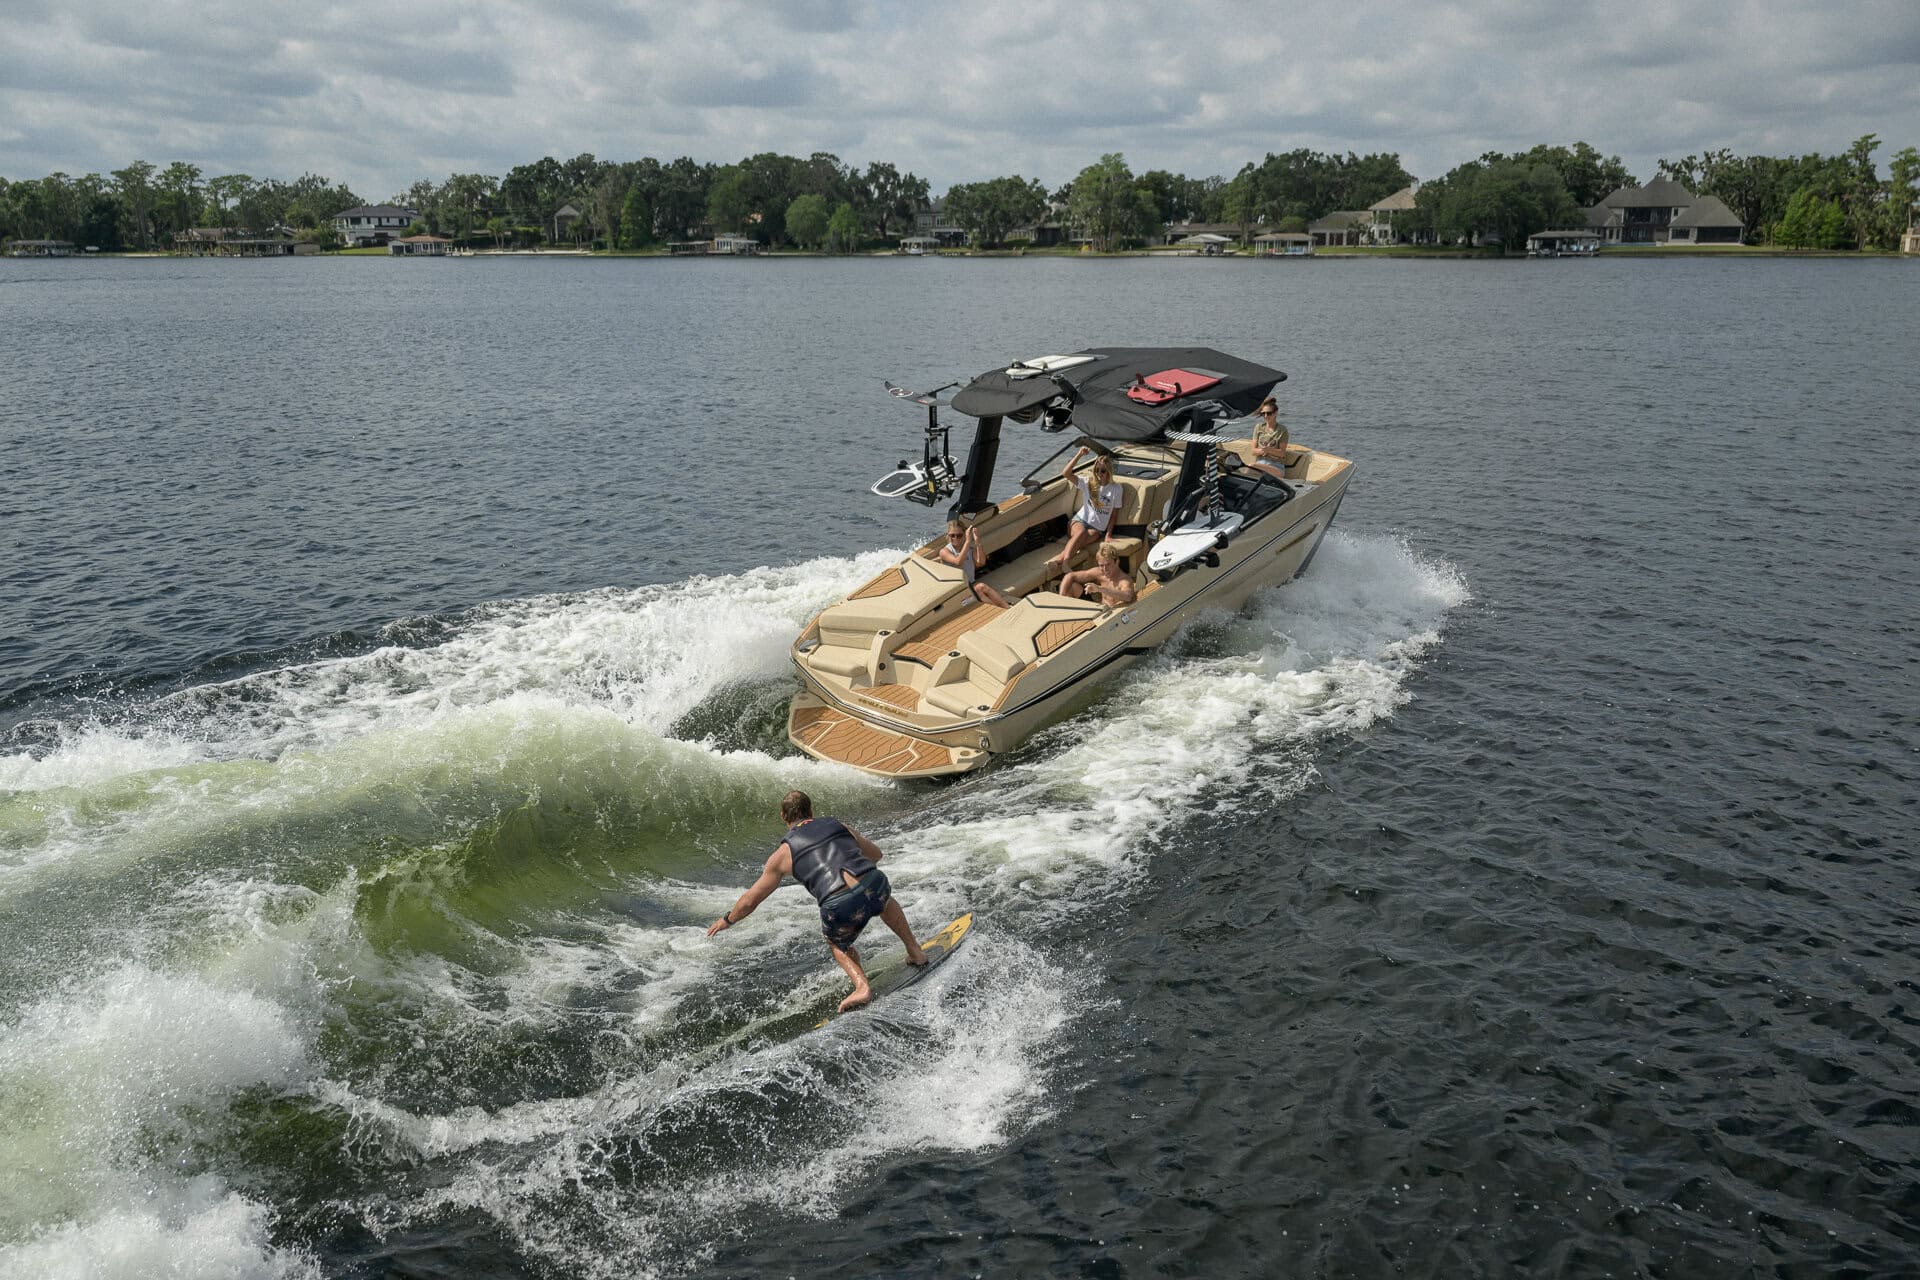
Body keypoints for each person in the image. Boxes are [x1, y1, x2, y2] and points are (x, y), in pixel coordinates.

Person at [706, 790, 928, 1012]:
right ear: (811, 811)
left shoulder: (782, 854)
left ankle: (861, 987)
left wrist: (728, 919)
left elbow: (750, 900)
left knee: (836, 942)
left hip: (839, 904)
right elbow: (876, 854)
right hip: (874, 883)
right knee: (885, 901)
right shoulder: (838, 825)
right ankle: (915, 951)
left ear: (783, 816)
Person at [1044, 447, 1124, 570]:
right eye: (1097, 470)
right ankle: (1066, 563)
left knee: (1080, 541)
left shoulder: (1116, 489)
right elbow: (1066, 473)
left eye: (1103, 471)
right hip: (1079, 521)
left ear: (1109, 471)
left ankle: (1057, 562)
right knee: (1080, 533)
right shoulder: (1088, 483)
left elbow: (1114, 515)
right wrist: (1079, 455)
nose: (1099, 474)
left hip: (1097, 529)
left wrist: (1108, 535)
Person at [936, 518, 1014, 608]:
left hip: (970, 585)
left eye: (959, 535)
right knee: (980, 588)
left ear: (964, 535)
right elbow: (958, 562)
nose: (955, 538)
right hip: (956, 592)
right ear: (947, 535)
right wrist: (968, 541)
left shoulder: (970, 549)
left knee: (980, 588)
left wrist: (977, 542)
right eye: (952, 535)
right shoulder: (944, 551)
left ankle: (1007, 608)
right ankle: (1003, 610)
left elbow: (981, 563)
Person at [1059, 542, 1137, 609]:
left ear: (1117, 562)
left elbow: (1128, 596)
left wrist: (1099, 589)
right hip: (1099, 609)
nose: (1105, 569)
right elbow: (1070, 576)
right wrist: (1060, 599)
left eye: (1108, 564)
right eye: (1101, 565)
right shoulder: (1099, 572)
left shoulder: (1124, 580)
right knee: (1072, 586)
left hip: (1114, 613)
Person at [1248, 397, 1291, 481]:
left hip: (1276, 467)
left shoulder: (1282, 430)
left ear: (1275, 413)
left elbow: (1282, 453)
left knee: (1251, 466)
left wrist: (1268, 450)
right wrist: (1264, 450)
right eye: (1263, 413)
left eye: (1269, 413)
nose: (1266, 416)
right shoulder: (1258, 427)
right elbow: (1253, 451)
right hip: (1260, 464)